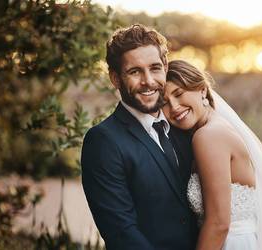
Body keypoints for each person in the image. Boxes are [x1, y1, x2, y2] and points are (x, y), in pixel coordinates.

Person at [81, 25, 199, 250]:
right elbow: (122, 233)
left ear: (165, 67)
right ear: (115, 78)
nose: (148, 81)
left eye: (155, 68)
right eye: (135, 72)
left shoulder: (183, 126)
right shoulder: (103, 141)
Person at [163, 59, 262, 250]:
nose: (174, 107)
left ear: (202, 90)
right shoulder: (217, 127)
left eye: (179, 94)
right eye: (164, 102)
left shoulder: (208, 136)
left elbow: (219, 223)